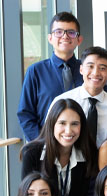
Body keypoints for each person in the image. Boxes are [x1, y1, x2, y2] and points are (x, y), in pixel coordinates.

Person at [18, 12, 83, 141]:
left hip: (82, 145)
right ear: (50, 38)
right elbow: (26, 114)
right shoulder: (35, 71)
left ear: (79, 39)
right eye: (58, 32)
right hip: (46, 146)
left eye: (71, 32)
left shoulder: (89, 71)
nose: (65, 36)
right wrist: (42, 143)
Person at [49, 46, 107, 147]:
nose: (96, 73)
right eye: (90, 66)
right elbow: (48, 138)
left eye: (102, 68)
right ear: (81, 69)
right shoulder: (61, 101)